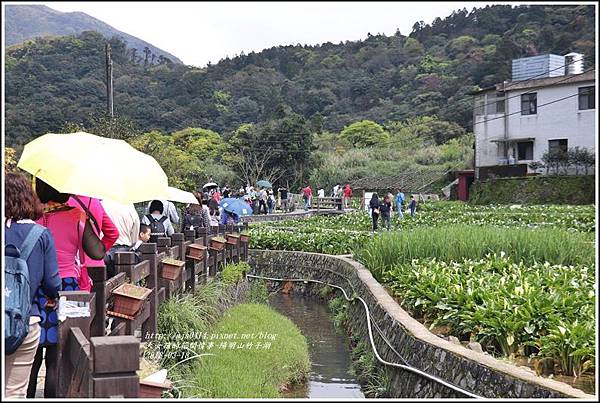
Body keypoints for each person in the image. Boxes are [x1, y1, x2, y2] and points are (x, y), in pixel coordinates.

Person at [29, 177, 89, 398]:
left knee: (32, 358)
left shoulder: (32, 217)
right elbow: (97, 251)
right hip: (67, 288)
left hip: (36, 288)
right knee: (56, 360)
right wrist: (86, 217)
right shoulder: (77, 216)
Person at [4, 173, 61, 399]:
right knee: (14, 391)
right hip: (23, 321)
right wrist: (51, 297)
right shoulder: (40, 235)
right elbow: (53, 284)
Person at [68, 195, 119, 290]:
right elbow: (113, 233)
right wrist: (98, 249)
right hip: (97, 264)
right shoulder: (96, 202)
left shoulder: (66, 203)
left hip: (74, 266)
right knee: (98, 303)